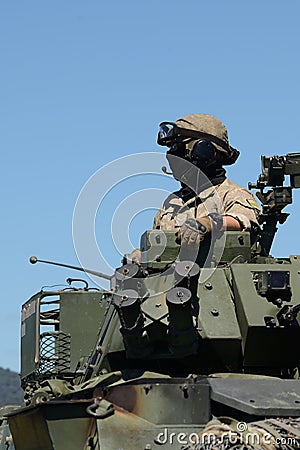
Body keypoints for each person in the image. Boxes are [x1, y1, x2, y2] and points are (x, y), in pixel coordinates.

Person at [126, 113, 260, 265]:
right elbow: (162, 249)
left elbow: (244, 220)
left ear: (203, 152)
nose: (171, 155)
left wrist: (208, 223)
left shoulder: (232, 193)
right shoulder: (171, 203)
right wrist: (141, 256)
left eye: (177, 148)